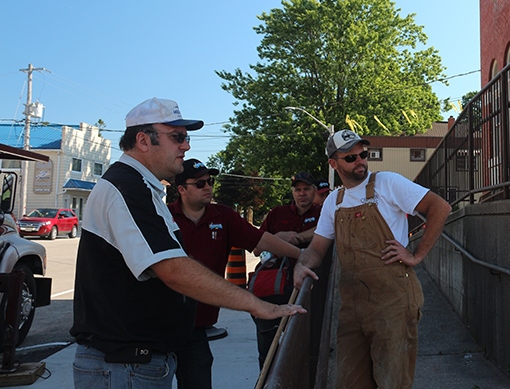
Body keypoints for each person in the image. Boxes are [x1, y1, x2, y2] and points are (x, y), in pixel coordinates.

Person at [70, 97, 305, 389]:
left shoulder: (143, 189)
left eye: (186, 137)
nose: (186, 145)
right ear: (143, 140)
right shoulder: (126, 188)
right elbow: (173, 269)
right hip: (122, 365)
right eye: (177, 137)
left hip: (137, 361)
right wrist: (257, 305)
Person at [294, 129, 451, 389]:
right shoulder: (334, 201)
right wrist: (302, 265)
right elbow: (317, 248)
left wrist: (416, 254)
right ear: (333, 164)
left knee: (393, 382)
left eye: (363, 154)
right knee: (349, 381)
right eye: (350, 158)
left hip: (393, 304)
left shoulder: (387, 183)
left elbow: (440, 207)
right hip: (352, 309)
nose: (360, 161)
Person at [168, 158, 302, 389]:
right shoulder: (164, 216)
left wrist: (301, 255)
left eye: (210, 181)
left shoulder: (223, 216)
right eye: (200, 184)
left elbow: (260, 239)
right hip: (160, 325)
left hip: (197, 326)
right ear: (181, 189)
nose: (208, 186)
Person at [253, 171, 322, 368]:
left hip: (310, 288)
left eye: (306, 189)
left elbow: (329, 232)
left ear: (314, 191)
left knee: (307, 345)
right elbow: (256, 248)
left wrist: (300, 237)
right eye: (297, 190)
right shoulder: (277, 214)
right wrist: (279, 236)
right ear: (292, 192)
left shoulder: (322, 214)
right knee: (268, 345)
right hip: (274, 289)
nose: (302, 194)